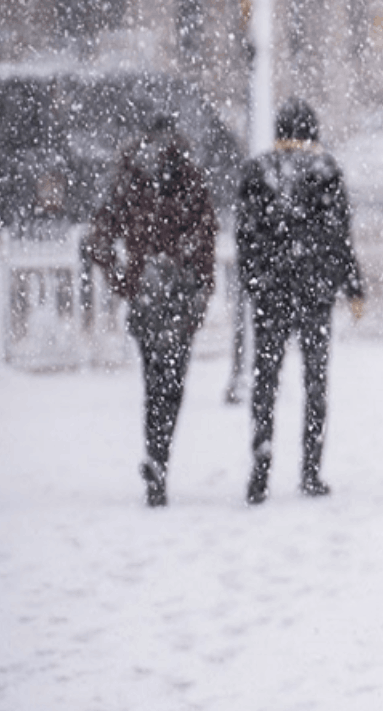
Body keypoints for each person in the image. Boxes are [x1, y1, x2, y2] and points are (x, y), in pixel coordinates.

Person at [235, 97, 364, 505]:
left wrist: (255, 282)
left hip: (271, 294)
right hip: (314, 294)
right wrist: (353, 287)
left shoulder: (257, 171)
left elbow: (245, 236)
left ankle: (261, 459)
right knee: (315, 382)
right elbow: (339, 237)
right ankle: (310, 469)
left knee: (265, 381)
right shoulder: (325, 171)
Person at [84, 112, 217, 507]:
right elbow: (206, 239)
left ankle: (155, 456)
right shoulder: (190, 179)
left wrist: (125, 281)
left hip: (146, 295)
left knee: (154, 382)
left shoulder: (129, 178)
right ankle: (161, 457)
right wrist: (201, 290)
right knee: (173, 384)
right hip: (179, 294)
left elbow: (99, 238)